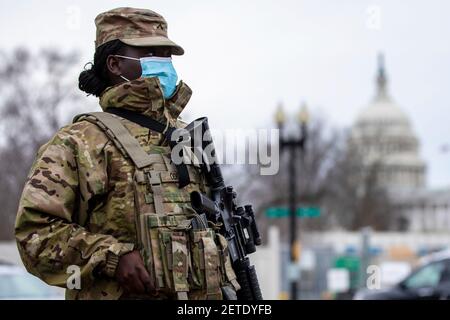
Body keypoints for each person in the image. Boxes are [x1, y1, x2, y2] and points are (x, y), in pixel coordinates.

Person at [15, 7, 239, 300]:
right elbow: (34, 235)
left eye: (166, 54)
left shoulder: (187, 136)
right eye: (151, 53)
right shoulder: (81, 141)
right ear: (115, 64)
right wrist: (112, 258)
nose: (164, 63)